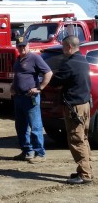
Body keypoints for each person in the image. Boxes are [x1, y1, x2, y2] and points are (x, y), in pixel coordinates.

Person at [49, 35, 93, 184]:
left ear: (69, 47)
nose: (62, 50)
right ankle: (85, 169)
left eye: (63, 47)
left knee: (76, 139)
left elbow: (54, 82)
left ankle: (85, 174)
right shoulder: (82, 60)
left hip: (75, 107)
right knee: (83, 138)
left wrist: (53, 77)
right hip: (85, 104)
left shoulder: (70, 64)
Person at [10, 36, 52, 164]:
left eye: (24, 46)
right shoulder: (18, 59)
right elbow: (17, 76)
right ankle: (27, 151)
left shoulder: (34, 58)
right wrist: (12, 87)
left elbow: (48, 73)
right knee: (21, 126)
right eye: (19, 46)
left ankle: (40, 153)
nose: (22, 48)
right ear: (17, 47)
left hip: (30, 97)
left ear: (28, 46)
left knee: (35, 125)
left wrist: (40, 88)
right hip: (18, 97)